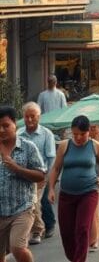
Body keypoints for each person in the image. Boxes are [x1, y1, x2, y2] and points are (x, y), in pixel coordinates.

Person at [48, 115, 99, 262]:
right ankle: (74, 258)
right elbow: (56, 168)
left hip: (88, 193)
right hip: (66, 194)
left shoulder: (95, 146)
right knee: (66, 232)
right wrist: (51, 189)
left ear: (89, 131)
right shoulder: (65, 145)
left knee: (82, 228)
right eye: (75, 134)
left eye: (82, 134)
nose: (79, 137)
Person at [0, 105, 46, 262]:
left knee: (17, 247)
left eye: (5, 126)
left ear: (15, 123)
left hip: (22, 208)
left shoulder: (27, 147)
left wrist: (16, 168)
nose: (1, 130)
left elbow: (40, 175)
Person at [16, 103, 55, 245]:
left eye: (33, 116)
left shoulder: (46, 134)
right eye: (27, 116)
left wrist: (47, 178)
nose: (30, 119)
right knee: (27, 203)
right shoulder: (18, 133)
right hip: (22, 175)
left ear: (39, 117)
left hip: (40, 176)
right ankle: (29, 229)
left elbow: (51, 158)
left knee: (34, 202)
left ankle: (38, 230)